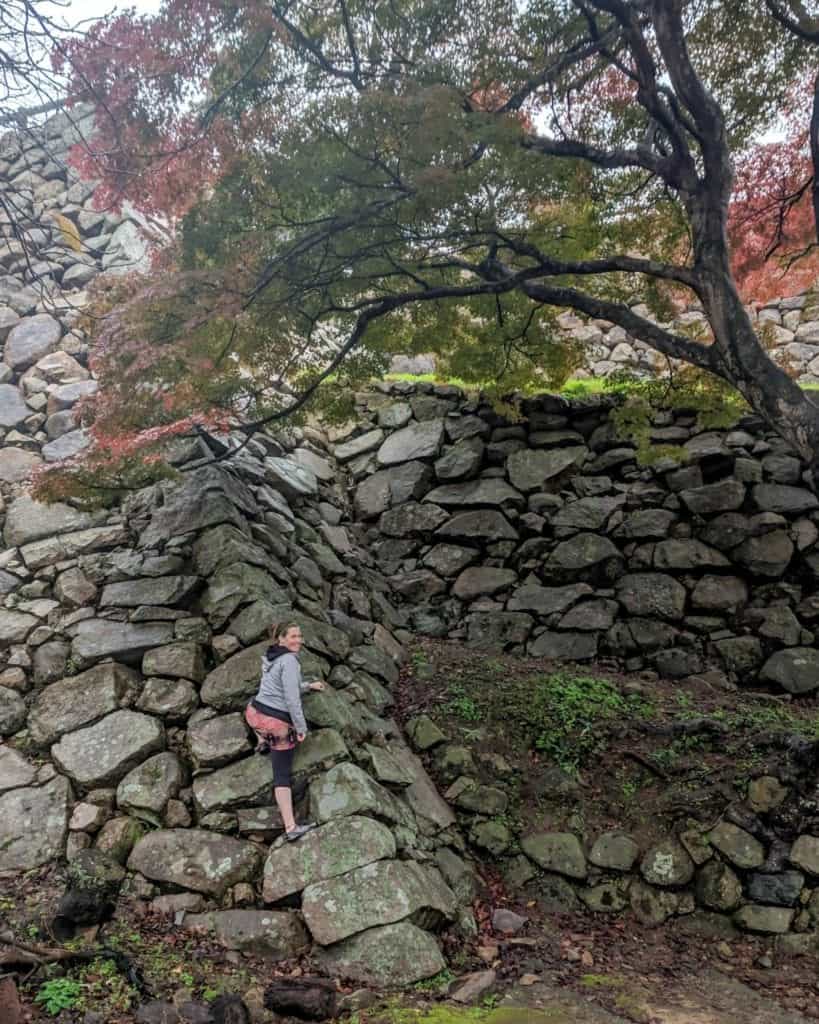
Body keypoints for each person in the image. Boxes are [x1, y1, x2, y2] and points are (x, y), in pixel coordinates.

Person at [244, 621, 325, 841]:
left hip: (253, 714)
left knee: (255, 705)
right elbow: (291, 698)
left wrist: (308, 685)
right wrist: (300, 728)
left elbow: (281, 685)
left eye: (300, 636)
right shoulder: (289, 661)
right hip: (275, 725)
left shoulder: (272, 655)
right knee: (282, 775)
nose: (298, 640)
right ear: (281, 638)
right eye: (293, 636)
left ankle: (261, 741)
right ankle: (291, 828)